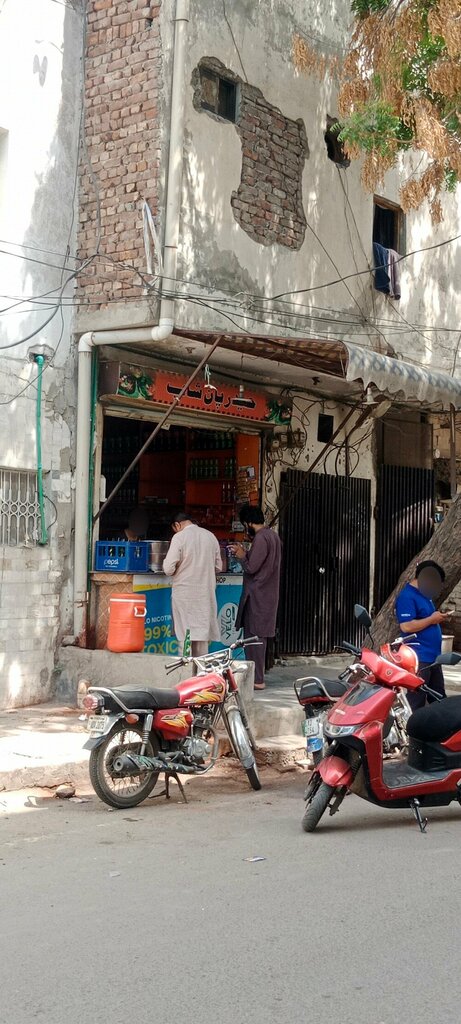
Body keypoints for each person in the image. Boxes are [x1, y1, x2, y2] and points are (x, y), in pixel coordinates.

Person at [229, 505, 281, 690]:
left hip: (258, 594)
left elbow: (251, 567)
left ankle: (257, 679)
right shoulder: (273, 536)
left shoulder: (261, 538)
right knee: (260, 637)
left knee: (254, 637)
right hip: (267, 594)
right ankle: (258, 676)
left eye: (245, 525)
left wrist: (242, 556)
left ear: (249, 523)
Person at [395, 560, 452, 712]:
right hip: (419, 657)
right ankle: (411, 731)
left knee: (438, 697)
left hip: (433, 657)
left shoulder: (425, 596)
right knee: (417, 699)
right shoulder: (407, 597)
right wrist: (432, 619)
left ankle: (442, 730)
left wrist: (438, 618)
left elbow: (427, 619)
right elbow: (406, 626)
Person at [163, 512, 222, 657]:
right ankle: (201, 676)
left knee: (185, 636)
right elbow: (218, 567)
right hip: (205, 594)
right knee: (202, 639)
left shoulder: (179, 537)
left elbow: (168, 568)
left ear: (177, 525)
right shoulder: (210, 536)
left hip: (184, 595)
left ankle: (185, 673)